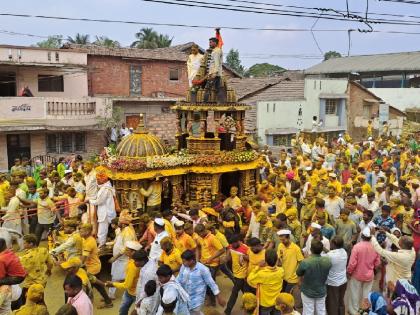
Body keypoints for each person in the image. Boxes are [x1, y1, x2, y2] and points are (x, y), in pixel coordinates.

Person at [177, 250, 225, 314]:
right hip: (185, 296)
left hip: (197, 299)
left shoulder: (203, 269)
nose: (183, 263)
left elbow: (211, 284)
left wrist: (219, 297)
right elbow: (179, 278)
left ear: (191, 261)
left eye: (184, 261)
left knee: (195, 312)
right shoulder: (184, 266)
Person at [346, 227, 380, 315]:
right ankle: (365, 311)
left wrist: (349, 272)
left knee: (354, 293)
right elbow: (377, 263)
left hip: (356, 275)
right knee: (367, 294)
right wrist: (374, 272)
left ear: (362, 235)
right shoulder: (374, 247)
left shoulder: (357, 247)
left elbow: (352, 263)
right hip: (369, 275)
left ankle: (354, 311)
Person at [296, 239, 331, 315]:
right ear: (322, 250)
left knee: (308, 311)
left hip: (307, 291)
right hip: (321, 290)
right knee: (321, 310)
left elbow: (298, 273)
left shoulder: (305, 262)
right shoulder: (328, 261)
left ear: (311, 250)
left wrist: (306, 258)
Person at [105, 245, 144, 315]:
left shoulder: (133, 266)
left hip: (136, 293)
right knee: (123, 309)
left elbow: (126, 285)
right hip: (130, 291)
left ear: (133, 252)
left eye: (127, 250)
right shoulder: (131, 259)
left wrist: (112, 284)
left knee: (132, 311)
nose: (125, 251)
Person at [194, 223, 224, 306]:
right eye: (198, 234)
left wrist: (210, 259)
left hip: (213, 264)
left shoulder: (212, 238)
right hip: (203, 263)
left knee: (210, 282)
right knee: (204, 281)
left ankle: (213, 301)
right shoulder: (200, 237)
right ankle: (210, 298)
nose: (199, 235)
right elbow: (198, 247)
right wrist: (197, 260)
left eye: (199, 233)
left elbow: (222, 250)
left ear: (203, 230)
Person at [247, 249, 284, 315]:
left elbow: (249, 279)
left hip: (265, 303)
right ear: (276, 261)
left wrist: (258, 266)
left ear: (265, 261)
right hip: (277, 301)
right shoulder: (281, 271)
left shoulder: (261, 274)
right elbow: (279, 266)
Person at [18, 234, 53, 304]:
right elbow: (50, 263)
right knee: (40, 300)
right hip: (42, 281)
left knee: (27, 303)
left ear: (31, 244)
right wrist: (49, 270)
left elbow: (22, 272)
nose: (23, 244)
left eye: (25, 243)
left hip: (30, 285)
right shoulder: (44, 250)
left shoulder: (26, 258)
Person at [87, 172, 117, 247]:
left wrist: (90, 201)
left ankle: (101, 245)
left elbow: (99, 201)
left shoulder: (105, 189)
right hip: (104, 212)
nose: (97, 181)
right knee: (103, 230)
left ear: (102, 180)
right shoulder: (106, 187)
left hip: (105, 213)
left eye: (98, 179)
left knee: (102, 231)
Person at [224, 234, 248, 315]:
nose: (233, 245)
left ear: (238, 241)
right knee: (245, 292)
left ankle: (228, 310)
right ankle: (249, 306)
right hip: (235, 273)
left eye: (234, 243)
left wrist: (245, 257)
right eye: (231, 244)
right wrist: (226, 257)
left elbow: (251, 259)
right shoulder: (231, 246)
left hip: (242, 275)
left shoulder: (245, 248)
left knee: (234, 292)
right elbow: (229, 257)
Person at [325, 236, 347, 315]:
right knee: (340, 301)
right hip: (343, 282)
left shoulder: (330, 255)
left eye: (331, 243)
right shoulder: (344, 251)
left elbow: (325, 258)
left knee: (332, 303)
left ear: (334, 244)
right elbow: (332, 253)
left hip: (333, 283)